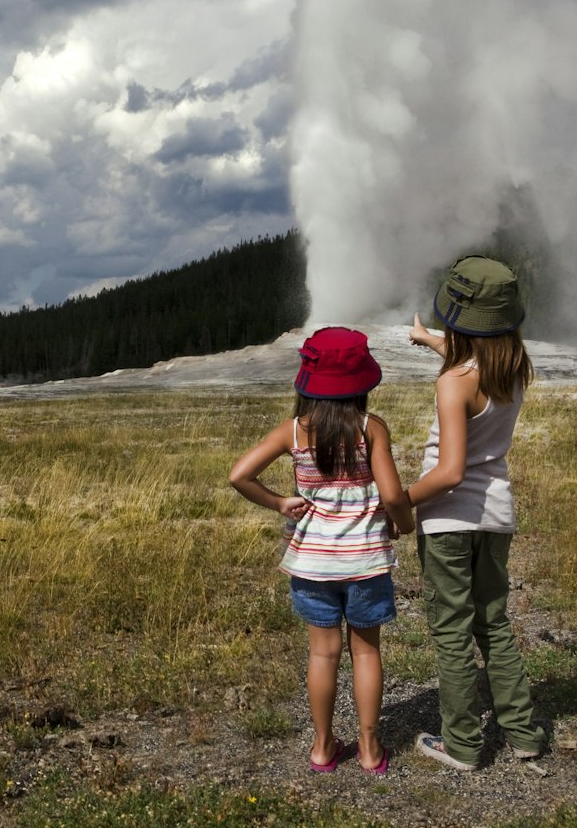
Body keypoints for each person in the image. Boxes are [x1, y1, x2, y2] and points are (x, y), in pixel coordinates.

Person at [229, 326, 415, 775]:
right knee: (366, 652)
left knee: (322, 654)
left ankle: (322, 746)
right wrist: (404, 523)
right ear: (362, 385)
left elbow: (239, 475)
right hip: (366, 562)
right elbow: (392, 495)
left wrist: (278, 502)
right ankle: (370, 750)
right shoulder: (371, 429)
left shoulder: (292, 431)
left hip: (311, 564)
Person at [405, 255, 546, 770]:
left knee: (451, 629)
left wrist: (396, 499)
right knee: (494, 622)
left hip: (447, 521)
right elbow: (470, 361)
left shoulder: (453, 383)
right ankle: (524, 732)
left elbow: (449, 473)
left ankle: (462, 744)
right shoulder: (514, 369)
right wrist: (429, 342)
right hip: (495, 517)